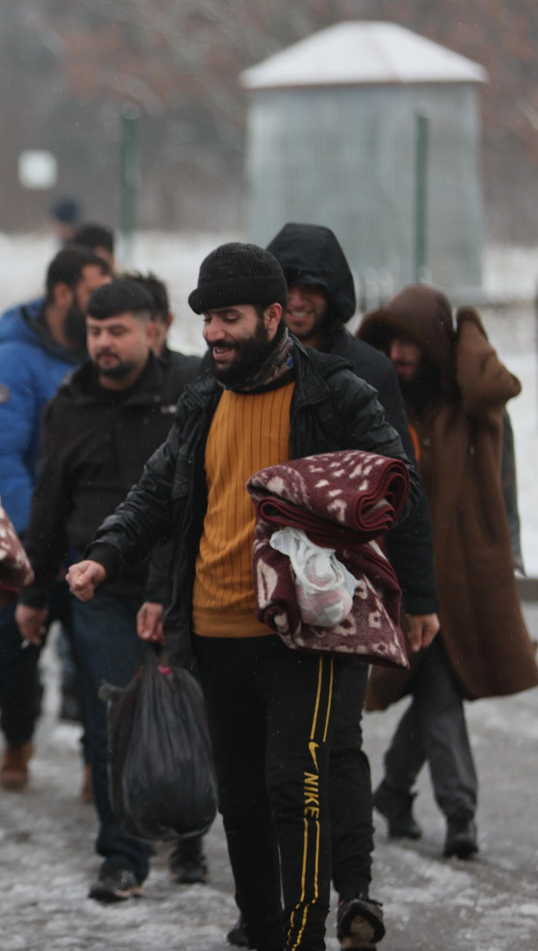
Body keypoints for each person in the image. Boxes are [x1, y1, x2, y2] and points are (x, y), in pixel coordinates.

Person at [67, 242, 437, 951]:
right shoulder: (204, 395)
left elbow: (403, 489)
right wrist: (103, 558)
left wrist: (317, 501)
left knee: (290, 786)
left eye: (229, 318)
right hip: (211, 630)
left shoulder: (336, 391)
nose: (213, 334)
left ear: (274, 316)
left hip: (307, 632)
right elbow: (155, 492)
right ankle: (266, 933)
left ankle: (302, 938)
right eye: (206, 320)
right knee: (237, 801)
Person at [263, 222, 441, 946]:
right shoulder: (250, 364)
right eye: (289, 287)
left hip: (347, 582)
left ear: (333, 293)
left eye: (313, 288)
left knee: (336, 740)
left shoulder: (367, 370)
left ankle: (354, 893)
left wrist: (420, 595)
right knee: (277, 753)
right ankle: (281, 903)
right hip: (265, 580)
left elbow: (405, 486)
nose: (301, 302)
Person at [16, 278, 206, 902]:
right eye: (96, 331)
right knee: (113, 717)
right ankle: (122, 855)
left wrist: (162, 586)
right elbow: (49, 504)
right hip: (98, 587)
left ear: (151, 330)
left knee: (186, 709)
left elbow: (194, 500)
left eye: (118, 330)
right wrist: (35, 594)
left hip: (182, 583)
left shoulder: (190, 392)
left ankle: (187, 831)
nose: (104, 343)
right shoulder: (69, 404)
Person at [358, 286, 538, 861]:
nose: (399, 352)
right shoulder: (383, 403)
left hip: (466, 574)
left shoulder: (468, 404)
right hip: (407, 576)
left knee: (442, 683)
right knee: (438, 685)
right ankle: (458, 811)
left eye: (412, 339)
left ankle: (391, 791)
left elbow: (495, 384)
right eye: (391, 339)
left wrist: (467, 324)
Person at [0, 246, 111, 818]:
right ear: (64, 293)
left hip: (92, 546)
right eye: (94, 285)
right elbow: (3, 457)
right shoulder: (14, 360)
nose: (104, 298)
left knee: (97, 668)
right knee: (2, 660)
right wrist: (36, 538)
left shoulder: (100, 350)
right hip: (33, 546)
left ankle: (102, 779)